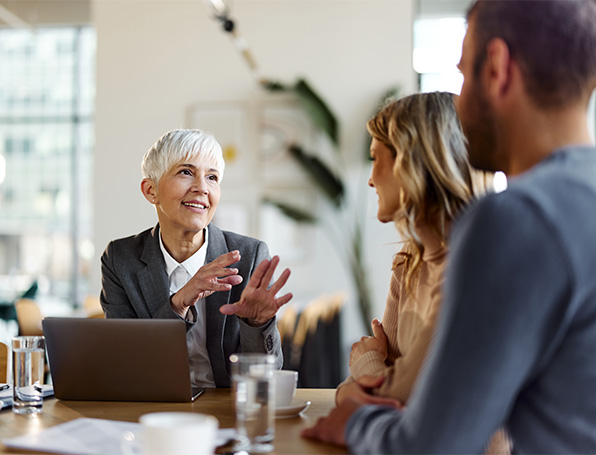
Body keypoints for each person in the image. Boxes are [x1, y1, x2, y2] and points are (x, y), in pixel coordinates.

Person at [302, 0, 596, 452]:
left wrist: (355, 421)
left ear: (496, 67)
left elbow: (431, 444)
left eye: (461, 75)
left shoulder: (515, 220)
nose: (457, 103)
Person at [335, 91, 508, 453]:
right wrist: (367, 380)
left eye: (375, 160)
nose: (370, 180)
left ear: (411, 164)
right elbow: (378, 393)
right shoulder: (408, 263)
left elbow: (396, 392)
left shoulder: (471, 266)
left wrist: (366, 363)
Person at [100, 129, 293, 388]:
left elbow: (263, 377)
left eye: (212, 177)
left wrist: (257, 324)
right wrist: (178, 303)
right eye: (186, 172)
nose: (202, 188)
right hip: (152, 408)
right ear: (150, 190)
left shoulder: (249, 256)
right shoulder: (120, 259)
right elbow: (126, 363)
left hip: (226, 408)